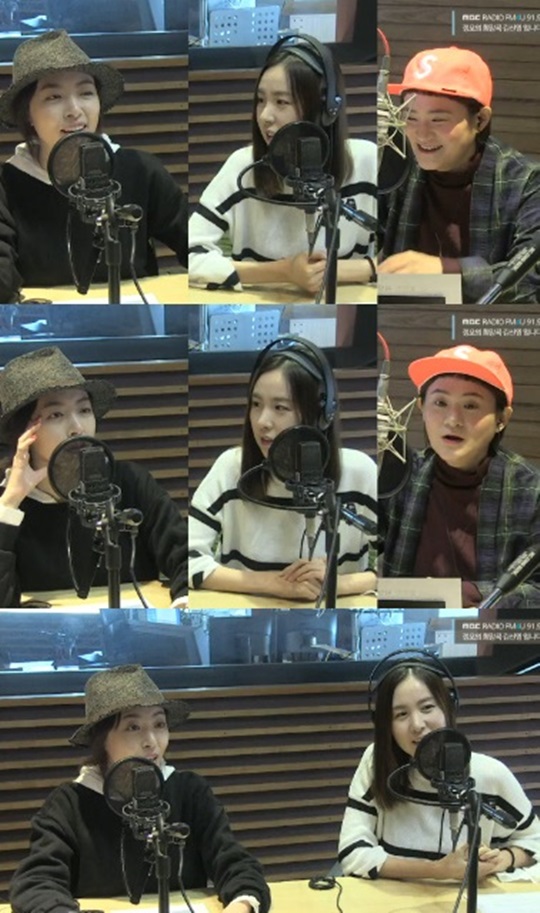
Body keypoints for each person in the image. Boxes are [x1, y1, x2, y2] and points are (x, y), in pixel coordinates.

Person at [9, 664, 271, 913]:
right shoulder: (69, 804)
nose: (151, 741)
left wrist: (241, 905)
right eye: (133, 727)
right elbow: (36, 883)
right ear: (102, 740)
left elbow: (237, 865)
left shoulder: (190, 792)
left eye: (159, 724)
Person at [0, 29, 187, 301]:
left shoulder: (141, 170)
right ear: (27, 112)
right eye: (54, 97)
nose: (75, 110)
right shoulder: (6, 185)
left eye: (86, 93)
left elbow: (195, 246)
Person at [189, 335, 377, 601]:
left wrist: (336, 583)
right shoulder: (231, 468)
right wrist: (274, 584)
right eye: (256, 404)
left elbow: (398, 568)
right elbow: (187, 559)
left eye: (280, 407)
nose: (262, 421)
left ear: (321, 416)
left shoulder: (360, 473)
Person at [188, 33, 377, 295]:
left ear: (325, 110)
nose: (265, 116)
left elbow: (405, 261)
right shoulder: (242, 167)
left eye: (281, 102)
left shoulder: (367, 162)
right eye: (260, 100)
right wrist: (285, 271)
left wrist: (339, 271)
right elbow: (190, 256)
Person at [0, 346, 188, 607]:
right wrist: (9, 505)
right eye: (56, 415)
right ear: (23, 432)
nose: (77, 428)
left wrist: (183, 602)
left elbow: (186, 558)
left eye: (84, 410)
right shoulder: (6, 502)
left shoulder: (130, 482)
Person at [338, 651, 540, 880]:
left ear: (447, 707)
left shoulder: (490, 774)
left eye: (427, 708)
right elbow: (352, 852)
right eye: (401, 714)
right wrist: (438, 870)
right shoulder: (376, 763)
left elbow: (535, 840)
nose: (417, 725)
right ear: (386, 725)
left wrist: (504, 859)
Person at [379, 344, 540, 607]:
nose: (452, 419)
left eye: (470, 405)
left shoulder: (531, 491)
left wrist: (463, 594)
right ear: (421, 406)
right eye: (440, 403)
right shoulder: (398, 477)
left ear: (501, 418)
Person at [378, 46, 540, 303]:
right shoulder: (394, 169)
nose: (421, 134)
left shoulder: (526, 182)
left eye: (438, 120)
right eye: (410, 117)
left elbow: (530, 280)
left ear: (480, 121)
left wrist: (445, 270)